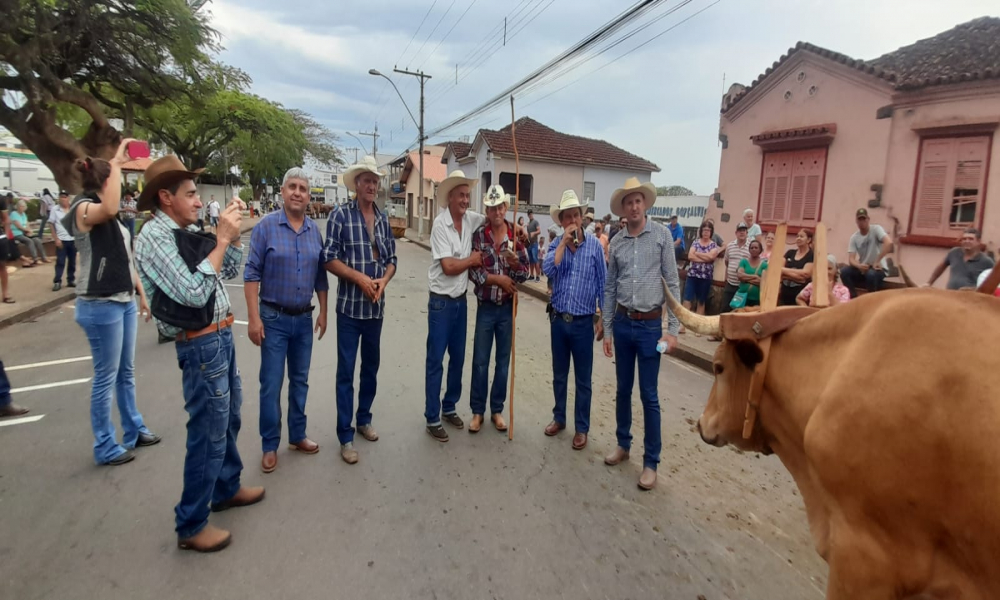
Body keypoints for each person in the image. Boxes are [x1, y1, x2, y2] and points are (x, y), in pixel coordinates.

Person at [136, 154, 263, 553]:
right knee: (207, 430)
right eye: (190, 194)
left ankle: (225, 488)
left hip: (220, 336)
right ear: (165, 197)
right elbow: (192, 293)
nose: (197, 201)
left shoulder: (184, 232)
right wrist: (221, 240)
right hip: (199, 341)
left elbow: (227, 270)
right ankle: (191, 523)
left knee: (229, 420)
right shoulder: (153, 239)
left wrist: (232, 238)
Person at [66, 142, 160, 467]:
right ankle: (105, 444)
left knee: (126, 372)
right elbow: (106, 209)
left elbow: (126, 259)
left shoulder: (115, 218)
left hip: (122, 300)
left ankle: (134, 428)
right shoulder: (82, 208)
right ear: (107, 182)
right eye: (118, 180)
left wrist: (142, 295)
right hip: (99, 303)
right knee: (106, 375)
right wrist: (117, 163)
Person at [244, 167, 329, 473]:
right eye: (292, 187)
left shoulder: (313, 231)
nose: (297, 192)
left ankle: (297, 434)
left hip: (303, 320)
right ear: (282, 192)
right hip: (273, 319)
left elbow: (321, 274)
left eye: (303, 188)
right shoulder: (265, 227)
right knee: (271, 382)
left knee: (300, 381)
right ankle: (270, 444)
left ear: (309, 197)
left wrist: (323, 311)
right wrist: (254, 319)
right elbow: (251, 274)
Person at [602, 177, 681, 491]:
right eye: (628, 202)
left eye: (638, 201)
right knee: (623, 389)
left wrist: (672, 332)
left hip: (651, 329)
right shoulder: (618, 242)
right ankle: (623, 444)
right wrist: (607, 329)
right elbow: (609, 289)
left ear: (645, 204)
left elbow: (672, 284)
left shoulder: (661, 236)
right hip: (622, 325)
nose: (634, 206)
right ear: (623, 208)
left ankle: (651, 462)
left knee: (649, 395)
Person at [321, 156, 397, 464]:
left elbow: (392, 260)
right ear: (356, 184)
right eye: (366, 180)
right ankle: (345, 435)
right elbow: (328, 258)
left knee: (371, 368)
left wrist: (383, 281)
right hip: (349, 311)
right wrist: (359, 278)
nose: (371, 185)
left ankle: (364, 418)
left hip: (375, 311)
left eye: (375, 181)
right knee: (345, 372)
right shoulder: (340, 216)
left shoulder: (381, 219)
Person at [541, 190, 606, 449]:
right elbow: (548, 269)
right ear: (561, 221)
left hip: (582, 323)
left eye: (576, 215)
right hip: (558, 320)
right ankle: (559, 418)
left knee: (583, 379)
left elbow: (603, 284)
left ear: (582, 218)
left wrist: (604, 318)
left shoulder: (594, 247)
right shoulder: (557, 243)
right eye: (567, 216)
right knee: (559, 374)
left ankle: (582, 428)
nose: (572, 220)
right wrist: (562, 245)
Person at [423, 170, 482, 442]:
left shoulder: (470, 220)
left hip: (460, 301)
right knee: (436, 360)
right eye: (461, 195)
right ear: (450, 197)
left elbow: (492, 219)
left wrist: (513, 225)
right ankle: (432, 416)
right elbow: (448, 267)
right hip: (441, 303)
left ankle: (449, 406)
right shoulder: (439, 225)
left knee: (458, 358)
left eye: (468, 195)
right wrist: (472, 260)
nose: (465, 200)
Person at [468, 185, 528, 433]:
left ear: (506, 207)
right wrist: (497, 280)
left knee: (502, 362)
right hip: (485, 307)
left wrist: (514, 266)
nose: (497, 211)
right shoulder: (480, 236)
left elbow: (523, 275)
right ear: (487, 210)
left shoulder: (517, 236)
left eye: (500, 206)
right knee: (480, 361)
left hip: (506, 308)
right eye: (492, 207)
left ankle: (497, 410)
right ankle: (477, 412)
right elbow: (474, 271)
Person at [841, 208, 891, 298]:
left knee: (871, 275)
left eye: (864, 219)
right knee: (844, 272)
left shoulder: (876, 229)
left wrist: (877, 260)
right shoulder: (854, 237)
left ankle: (871, 300)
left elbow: (889, 243)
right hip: (864, 268)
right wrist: (859, 266)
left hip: (878, 269)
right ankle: (853, 297)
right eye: (859, 219)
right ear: (856, 221)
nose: (862, 222)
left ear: (868, 219)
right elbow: (851, 259)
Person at [925, 228, 994, 290]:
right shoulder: (954, 253)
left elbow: (994, 281)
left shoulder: (986, 261)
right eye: (964, 239)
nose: (967, 241)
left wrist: (974, 289)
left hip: (971, 300)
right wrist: (929, 283)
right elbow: (940, 267)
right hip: (950, 295)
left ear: (978, 241)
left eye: (970, 239)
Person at [683, 222, 720, 331]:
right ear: (701, 231)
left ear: (711, 232)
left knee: (701, 301)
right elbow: (690, 256)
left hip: (705, 277)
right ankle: (683, 325)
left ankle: (698, 328)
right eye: (704, 230)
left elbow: (711, 258)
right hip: (692, 275)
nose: (706, 233)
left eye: (708, 230)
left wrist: (698, 254)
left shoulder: (713, 245)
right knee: (687, 300)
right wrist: (705, 257)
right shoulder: (695, 242)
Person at [779, 229, 815, 306]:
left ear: (808, 240)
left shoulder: (811, 255)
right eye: (797, 236)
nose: (798, 238)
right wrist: (798, 277)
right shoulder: (790, 253)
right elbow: (778, 270)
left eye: (801, 236)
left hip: (800, 296)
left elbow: (806, 274)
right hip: (783, 294)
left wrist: (784, 272)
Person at [722, 223, 752, 312]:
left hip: (743, 285)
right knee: (724, 309)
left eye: (744, 231)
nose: (742, 233)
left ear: (747, 233)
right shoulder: (730, 246)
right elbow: (727, 262)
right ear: (736, 233)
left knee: (740, 311)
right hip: (730, 284)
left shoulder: (752, 247)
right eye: (740, 231)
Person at [50, 191, 76, 291]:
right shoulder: (55, 209)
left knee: (72, 261)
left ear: (68, 198)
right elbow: (51, 224)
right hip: (61, 239)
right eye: (61, 197)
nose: (63, 199)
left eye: (65, 197)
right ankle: (57, 281)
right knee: (60, 261)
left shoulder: (72, 208)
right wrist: (56, 238)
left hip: (72, 239)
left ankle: (70, 279)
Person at [10, 199, 48, 264]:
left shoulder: (23, 214)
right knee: (29, 241)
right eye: (22, 207)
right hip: (16, 234)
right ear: (18, 207)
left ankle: (44, 257)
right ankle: (35, 259)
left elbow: (27, 224)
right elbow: (18, 226)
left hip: (24, 233)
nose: (23, 208)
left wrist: (30, 231)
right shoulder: (13, 214)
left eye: (24, 207)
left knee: (37, 240)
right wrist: (27, 230)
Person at [0, 193, 21, 304]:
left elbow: (6, 219)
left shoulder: (0, 198)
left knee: (2, 266)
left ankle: (5, 294)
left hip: (0, 237)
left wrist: (7, 236)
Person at [736, 239, 768, 308]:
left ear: (760, 250)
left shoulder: (764, 265)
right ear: (749, 250)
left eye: (756, 248)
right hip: (742, 297)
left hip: (756, 299)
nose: (753, 249)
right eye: (752, 248)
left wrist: (745, 279)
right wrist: (755, 277)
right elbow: (740, 275)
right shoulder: (743, 261)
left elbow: (763, 282)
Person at [525, 209, 541, 282]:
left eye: (531, 214)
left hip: (534, 243)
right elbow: (528, 234)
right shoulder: (528, 224)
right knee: (531, 260)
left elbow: (539, 231)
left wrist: (534, 233)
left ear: (532, 214)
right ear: (528, 215)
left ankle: (537, 276)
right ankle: (531, 275)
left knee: (535, 259)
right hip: (529, 244)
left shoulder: (535, 222)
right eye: (529, 214)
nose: (530, 215)